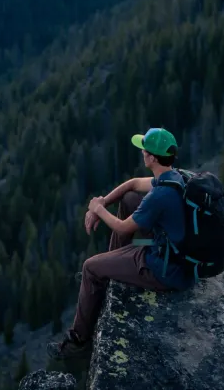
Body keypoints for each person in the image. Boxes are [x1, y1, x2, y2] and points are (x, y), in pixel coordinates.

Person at [48, 126, 194, 361]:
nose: (142, 153)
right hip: (177, 255)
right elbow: (133, 184)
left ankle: (77, 342)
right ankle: (110, 267)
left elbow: (122, 227)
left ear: (152, 157)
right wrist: (104, 201)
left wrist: (96, 209)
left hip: (165, 268)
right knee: (128, 199)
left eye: (144, 150)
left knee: (90, 267)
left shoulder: (160, 196)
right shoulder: (175, 177)